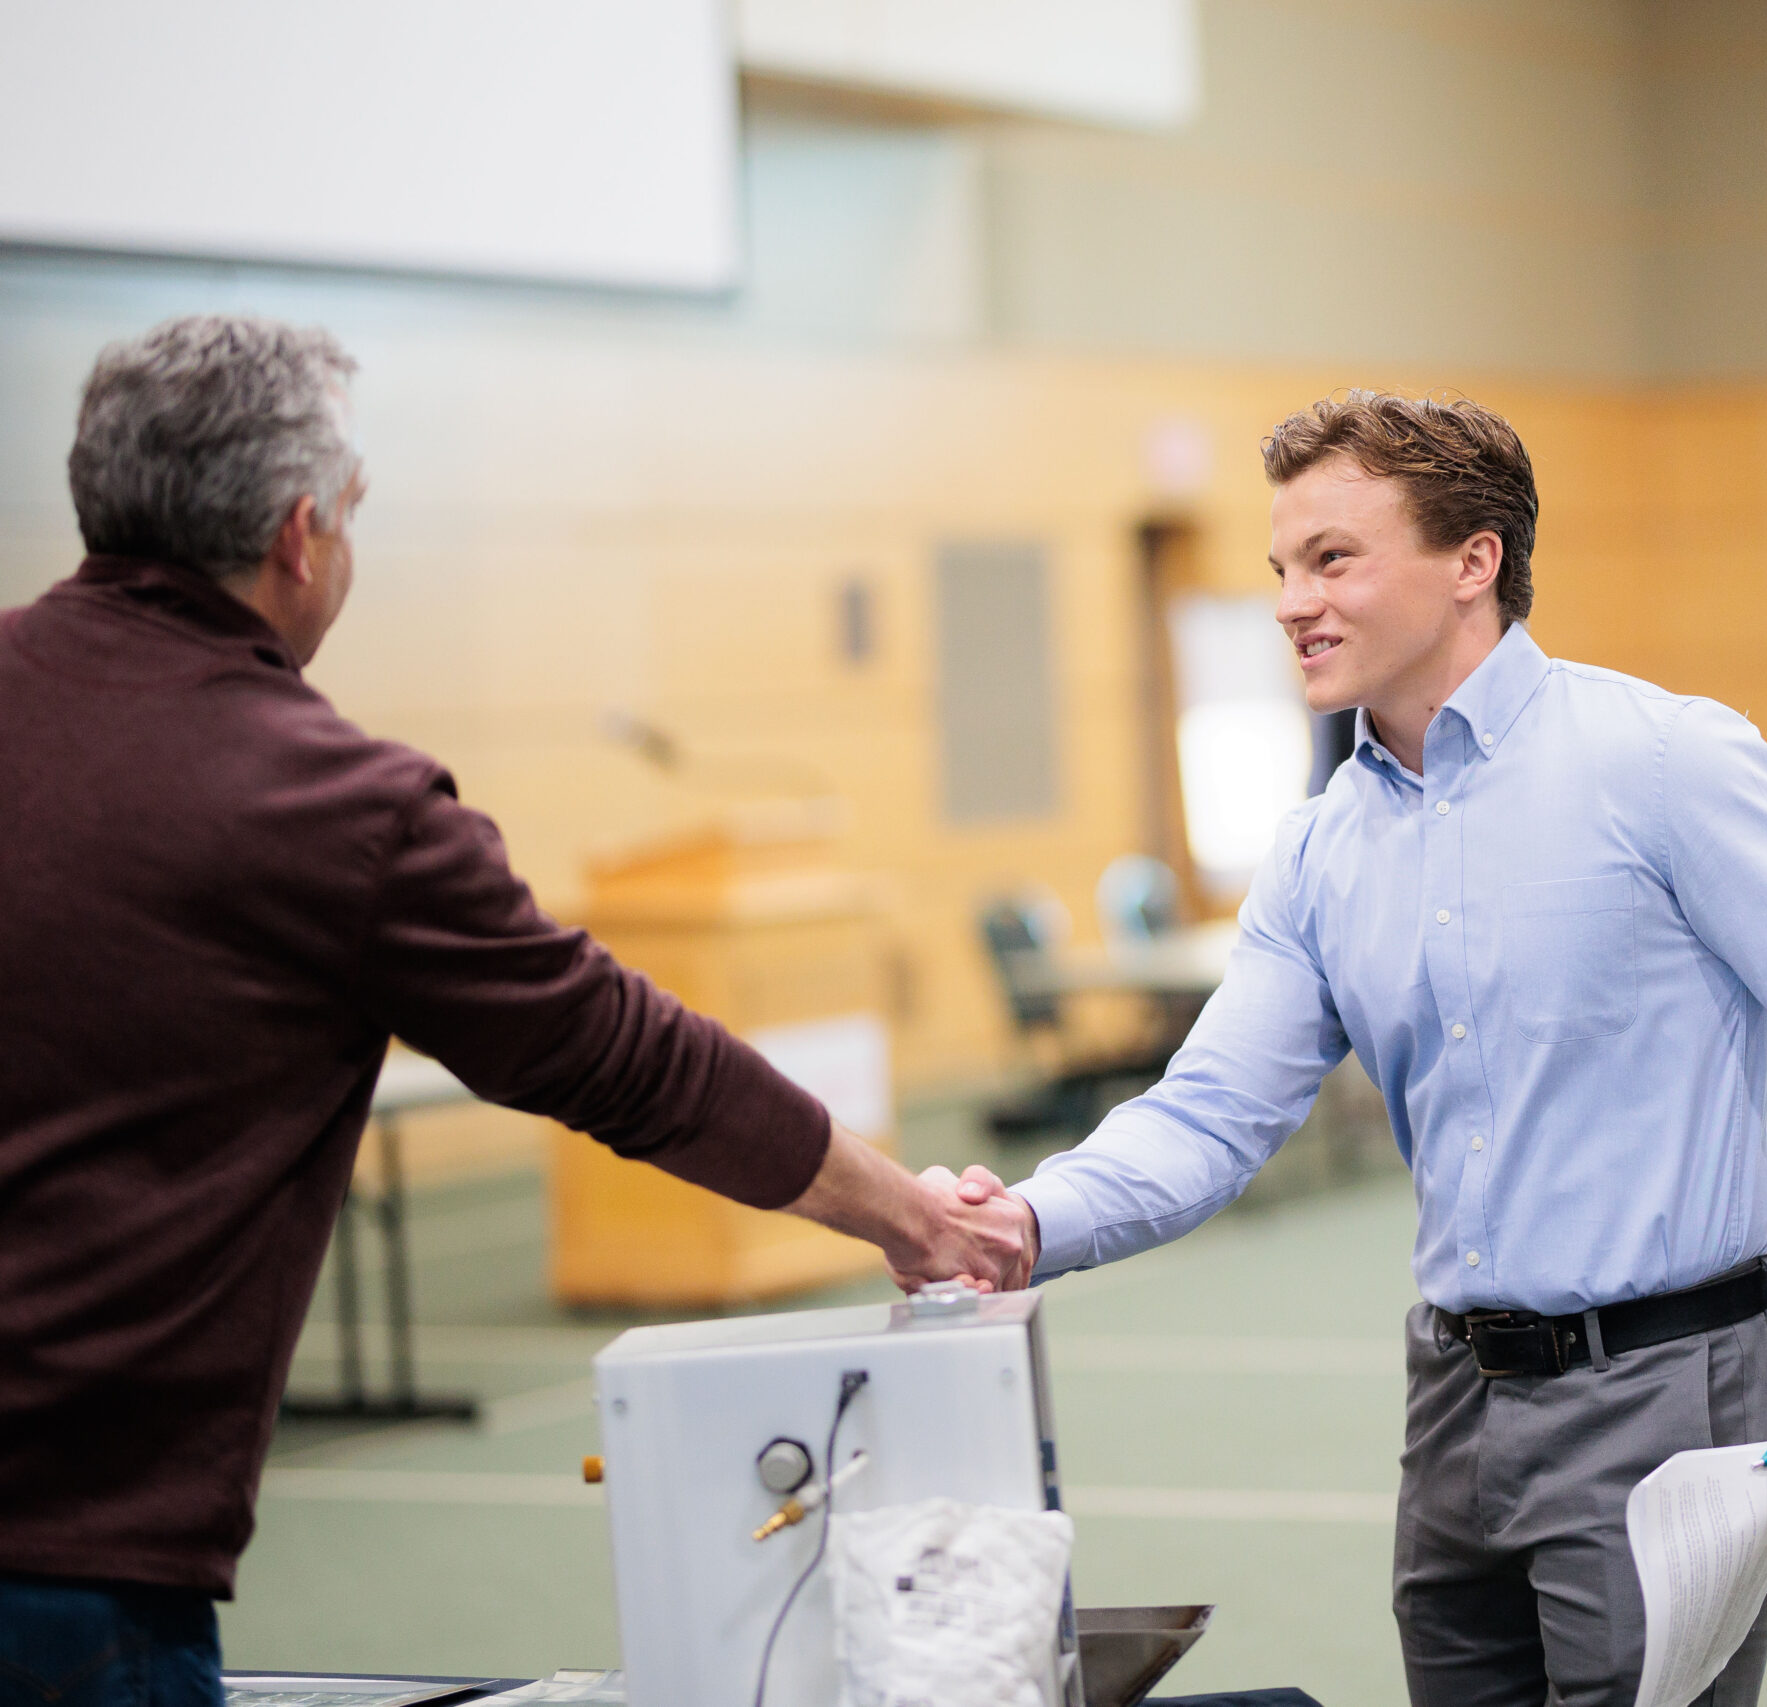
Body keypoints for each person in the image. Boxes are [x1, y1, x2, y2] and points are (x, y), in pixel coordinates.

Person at [0, 315, 1025, 1703]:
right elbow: (622, 1054)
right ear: (301, 535)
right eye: (352, 515)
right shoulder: (334, 807)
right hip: (67, 1564)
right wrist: (910, 1211)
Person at [959, 391, 1767, 1707]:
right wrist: (1025, 1220)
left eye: (1333, 559)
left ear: (1473, 561)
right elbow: (1207, 1117)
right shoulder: (1321, 846)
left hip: (1667, 1392)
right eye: (1281, 568)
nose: (1290, 602)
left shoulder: (1664, 763)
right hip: (1454, 1402)